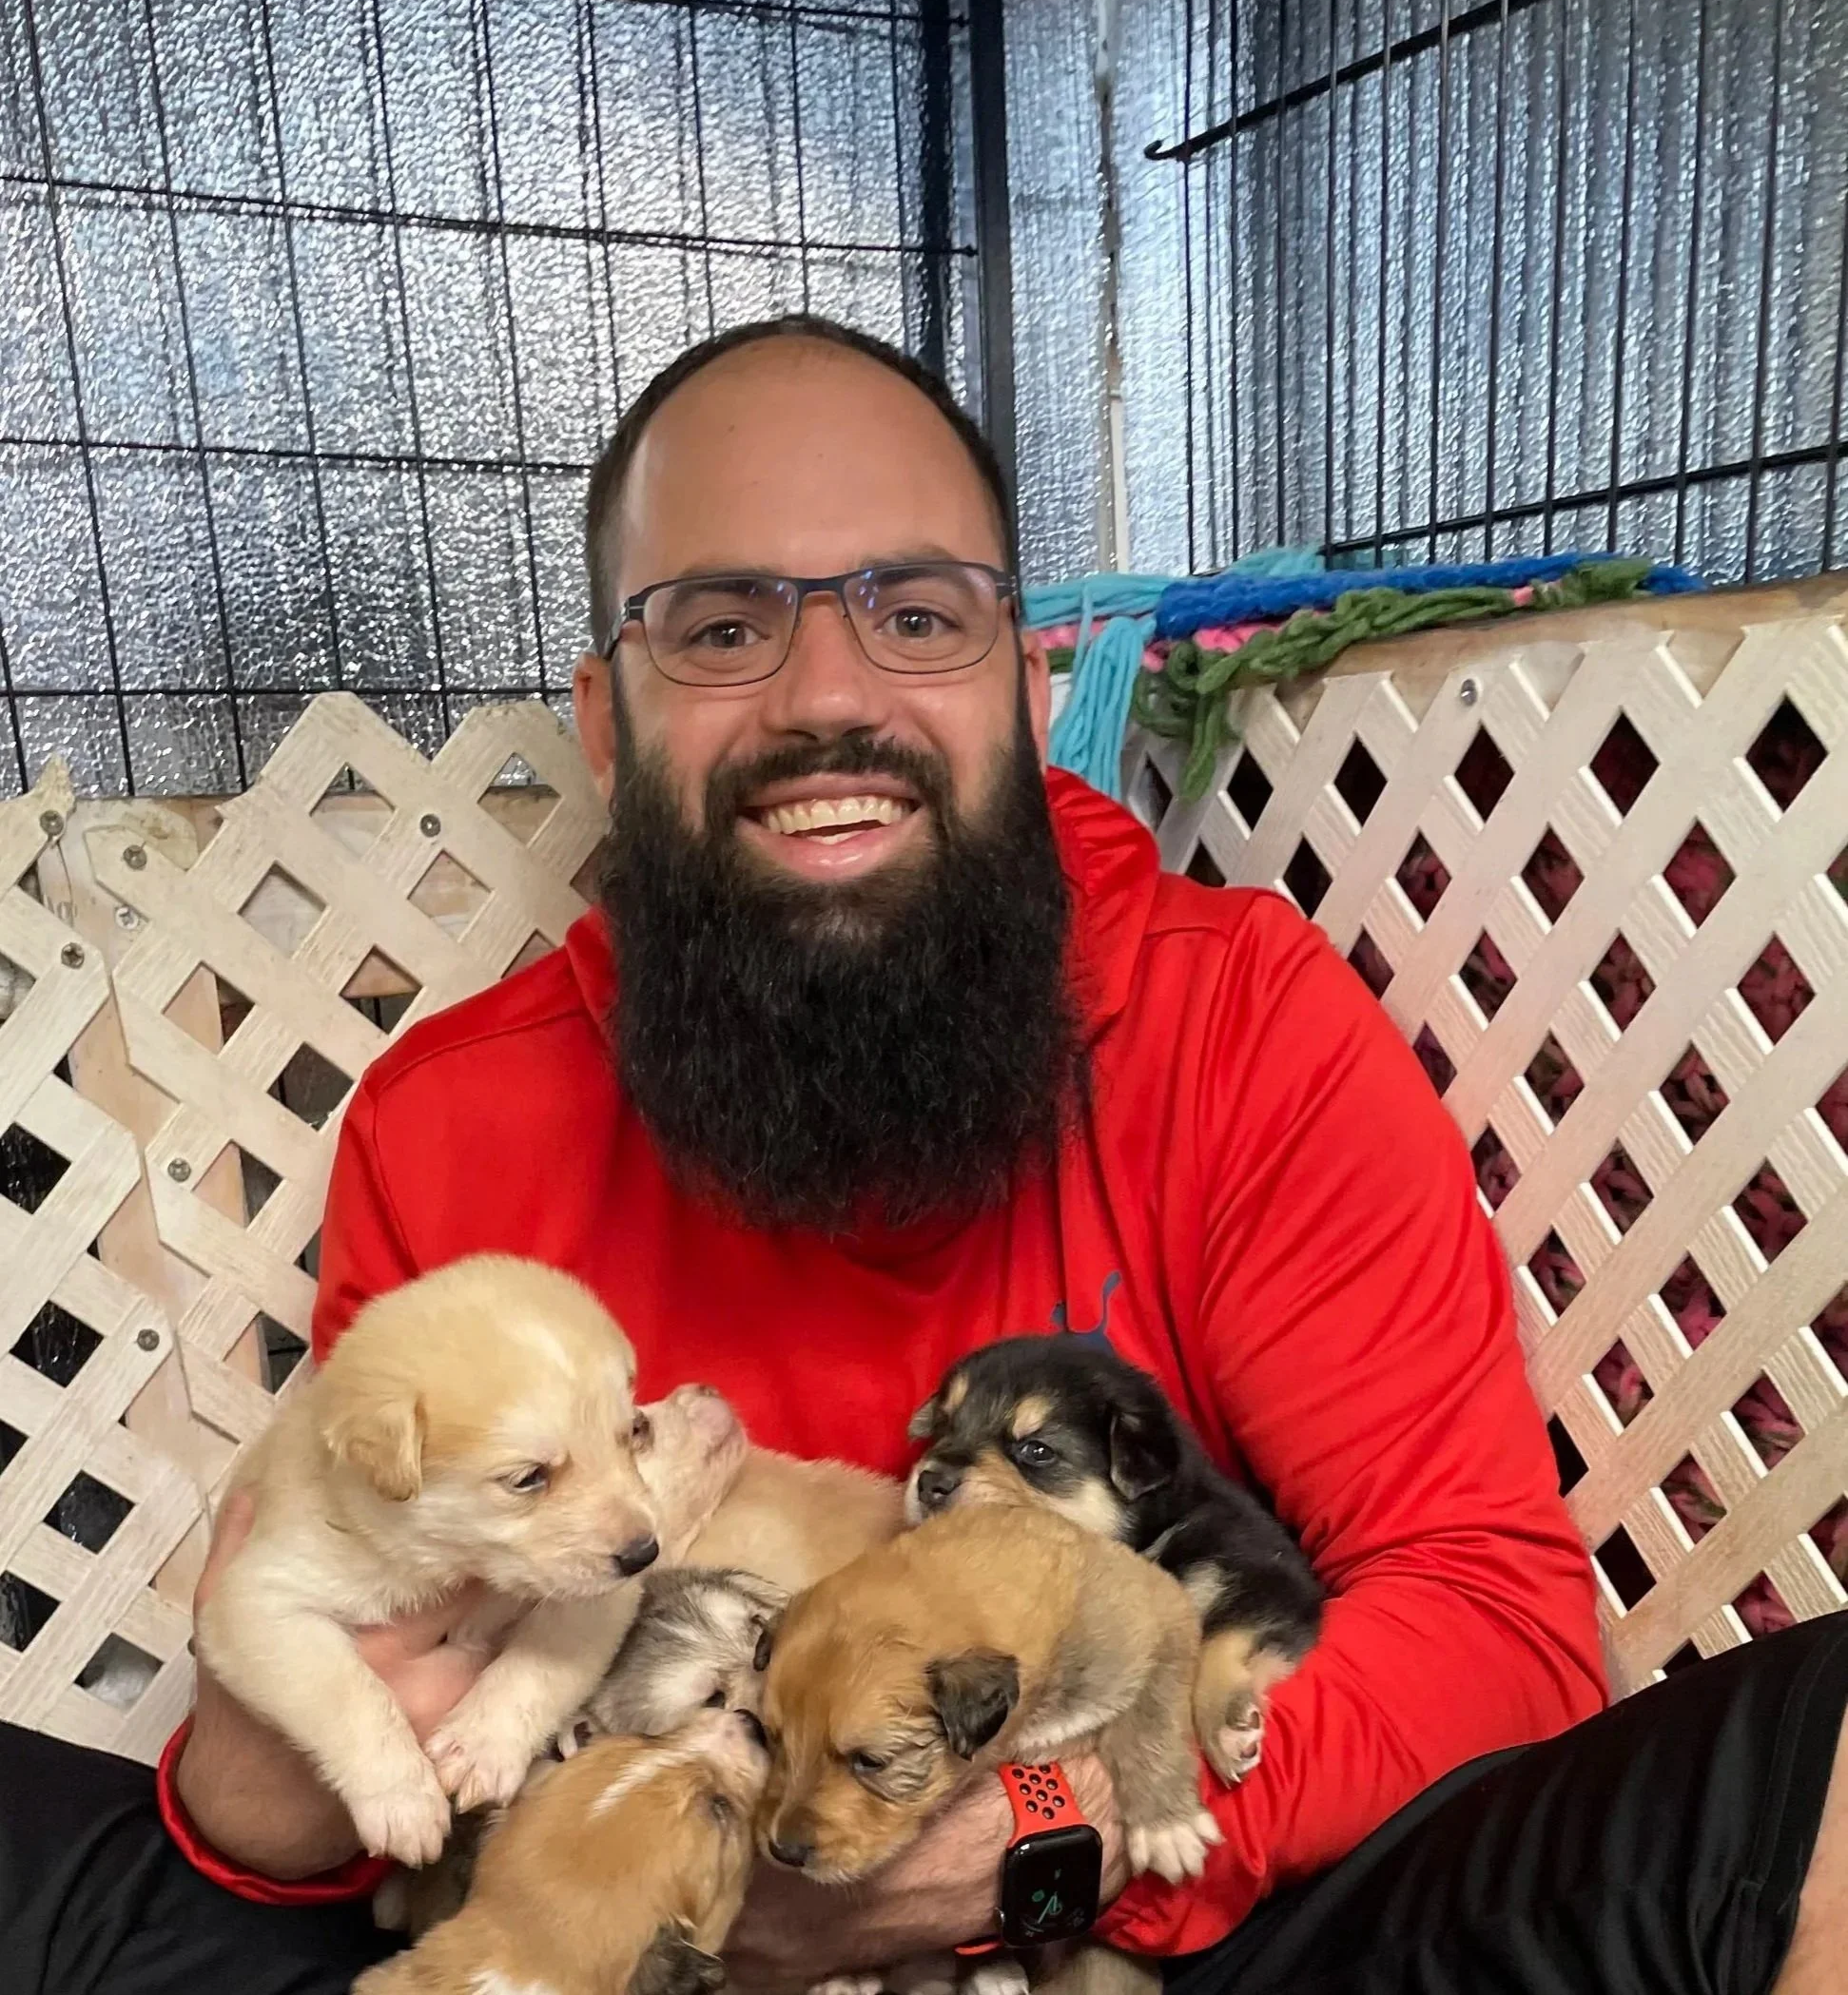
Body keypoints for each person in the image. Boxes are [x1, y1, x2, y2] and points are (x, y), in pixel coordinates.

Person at [4, 316, 1844, 1995]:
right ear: (604, 722)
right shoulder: (453, 1123)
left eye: (916, 612)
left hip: (1164, 1928)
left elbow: (1486, 1626)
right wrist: (260, 1798)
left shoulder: (1238, 1026)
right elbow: (352, 1759)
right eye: (720, 626)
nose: (825, 694)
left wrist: (1011, 1858)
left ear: (1023, 692)